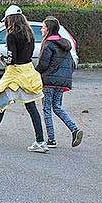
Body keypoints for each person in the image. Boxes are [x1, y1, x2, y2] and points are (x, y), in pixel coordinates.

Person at [0, 5, 48, 153]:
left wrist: (0, 57)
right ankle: (40, 141)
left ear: (10, 19)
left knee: (1, 102)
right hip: (27, 72)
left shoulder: (12, 35)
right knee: (31, 106)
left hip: (14, 75)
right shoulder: (30, 33)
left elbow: (11, 59)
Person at [36, 16, 83, 148]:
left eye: (43, 27)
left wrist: (34, 72)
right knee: (57, 107)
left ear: (48, 29)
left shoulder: (48, 44)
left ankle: (51, 139)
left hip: (49, 81)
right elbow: (71, 64)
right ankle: (74, 129)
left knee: (46, 109)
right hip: (61, 82)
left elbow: (43, 65)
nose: (41, 29)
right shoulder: (65, 44)